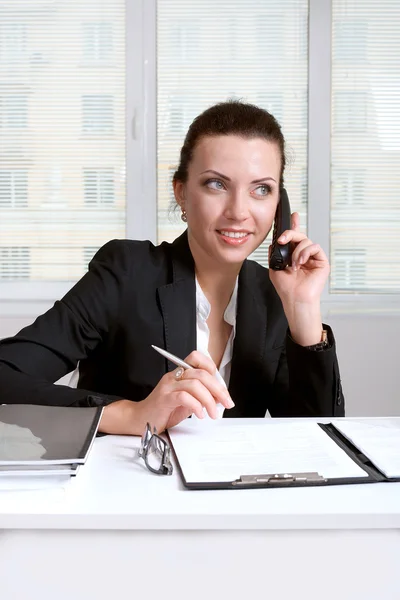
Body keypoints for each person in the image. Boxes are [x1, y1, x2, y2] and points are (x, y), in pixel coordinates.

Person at [0, 100, 344, 436]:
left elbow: (319, 436)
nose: (239, 211)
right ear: (181, 192)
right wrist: (131, 414)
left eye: (261, 190)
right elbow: (6, 374)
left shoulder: (276, 295)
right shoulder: (126, 272)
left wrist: (303, 313)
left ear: (278, 206)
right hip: (125, 484)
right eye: (217, 184)